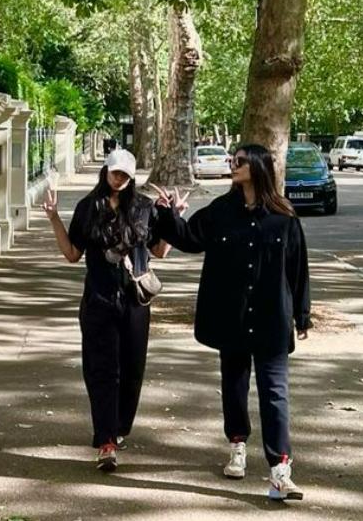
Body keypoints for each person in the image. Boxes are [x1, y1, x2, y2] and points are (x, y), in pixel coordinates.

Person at [153, 143, 311, 501]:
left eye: (238, 161)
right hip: (232, 318)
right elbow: (189, 238)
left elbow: (298, 268)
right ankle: (237, 445)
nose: (232, 165)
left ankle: (280, 470)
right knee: (235, 387)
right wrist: (166, 214)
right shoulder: (222, 211)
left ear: (256, 167)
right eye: (232, 160)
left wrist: (302, 314)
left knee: (275, 394)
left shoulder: (284, 216)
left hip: (272, 319)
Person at [43, 149, 168, 472]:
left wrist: (172, 219)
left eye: (125, 175)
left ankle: (119, 426)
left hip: (134, 302)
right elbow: (72, 254)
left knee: (131, 369)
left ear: (131, 177)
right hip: (98, 299)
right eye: (115, 173)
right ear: (105, 171)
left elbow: (159, 251)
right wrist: (54, 217)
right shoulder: (88, 207)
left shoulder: (143, 208)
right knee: (101, 370)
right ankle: (106, 440)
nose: (119, 179)